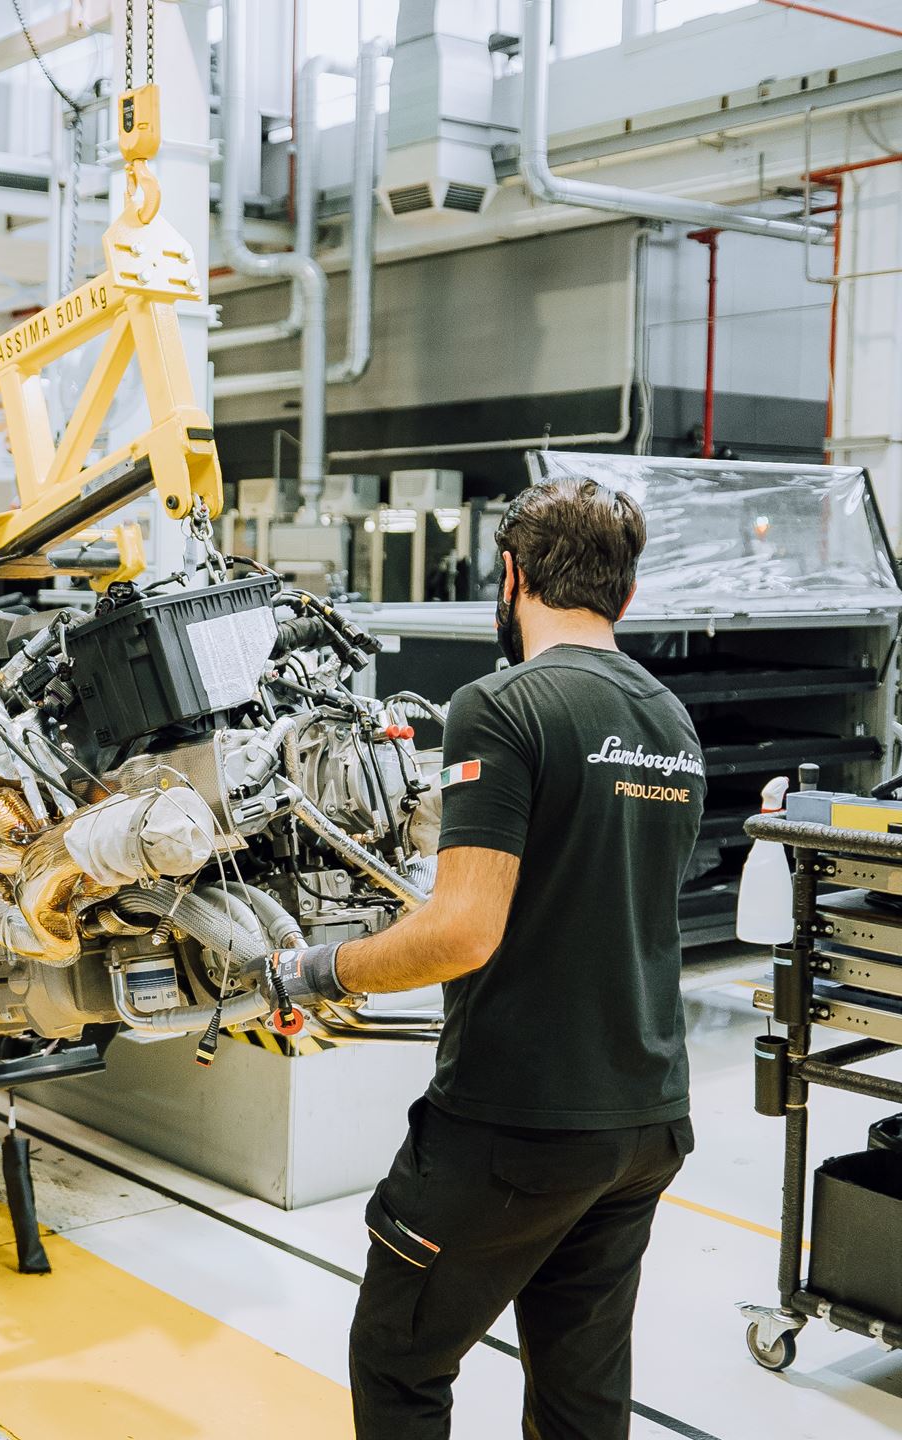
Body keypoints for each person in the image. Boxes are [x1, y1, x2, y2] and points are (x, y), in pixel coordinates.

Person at [266, 479, 704, 1439]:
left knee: (400, 1358)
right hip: (643, 1119)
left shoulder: (502, 705)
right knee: (580, 1393)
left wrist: (316, 969)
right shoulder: (672, 721)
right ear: (622, 595)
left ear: (508, 576)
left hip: (517, 1125)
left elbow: (465, 929)